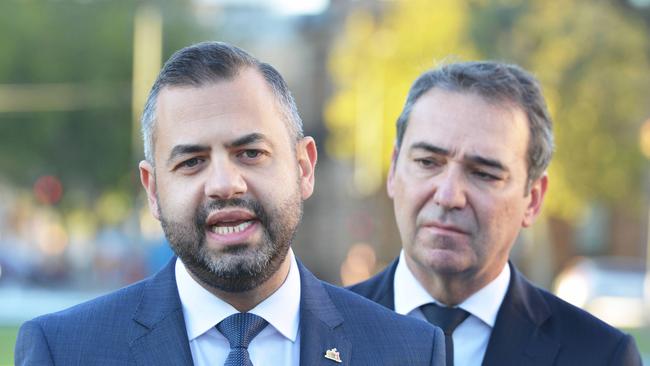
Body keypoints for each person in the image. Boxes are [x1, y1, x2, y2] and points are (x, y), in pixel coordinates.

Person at [14, 42, 445, 365]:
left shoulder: (409, 350)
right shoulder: (64, 350)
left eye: (250, 153)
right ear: (153, 189)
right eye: (192, 161)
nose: (223, 184)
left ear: (304, 167)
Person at [349, 61, 642, 366]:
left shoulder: (600, 356)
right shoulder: (315, 334)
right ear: (394, 169)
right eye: (427, 162)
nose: (448, 196)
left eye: (484, 174)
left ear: (533, 199)